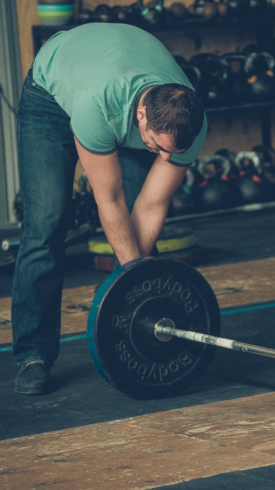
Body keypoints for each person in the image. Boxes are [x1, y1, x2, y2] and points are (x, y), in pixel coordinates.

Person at [12, 23, 207, 395]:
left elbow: (152, 204)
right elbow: (108, 200)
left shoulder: (188, 130)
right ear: (142, 117)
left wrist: (135, 287)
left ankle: (124, 338)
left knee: (136, 228)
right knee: (46, 225)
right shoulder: (97, 106)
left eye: (174, 153)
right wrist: (135, 278)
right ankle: (32, 355)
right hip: (50, 97)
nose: (165, 158)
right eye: (158, 147)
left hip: (115, 79)